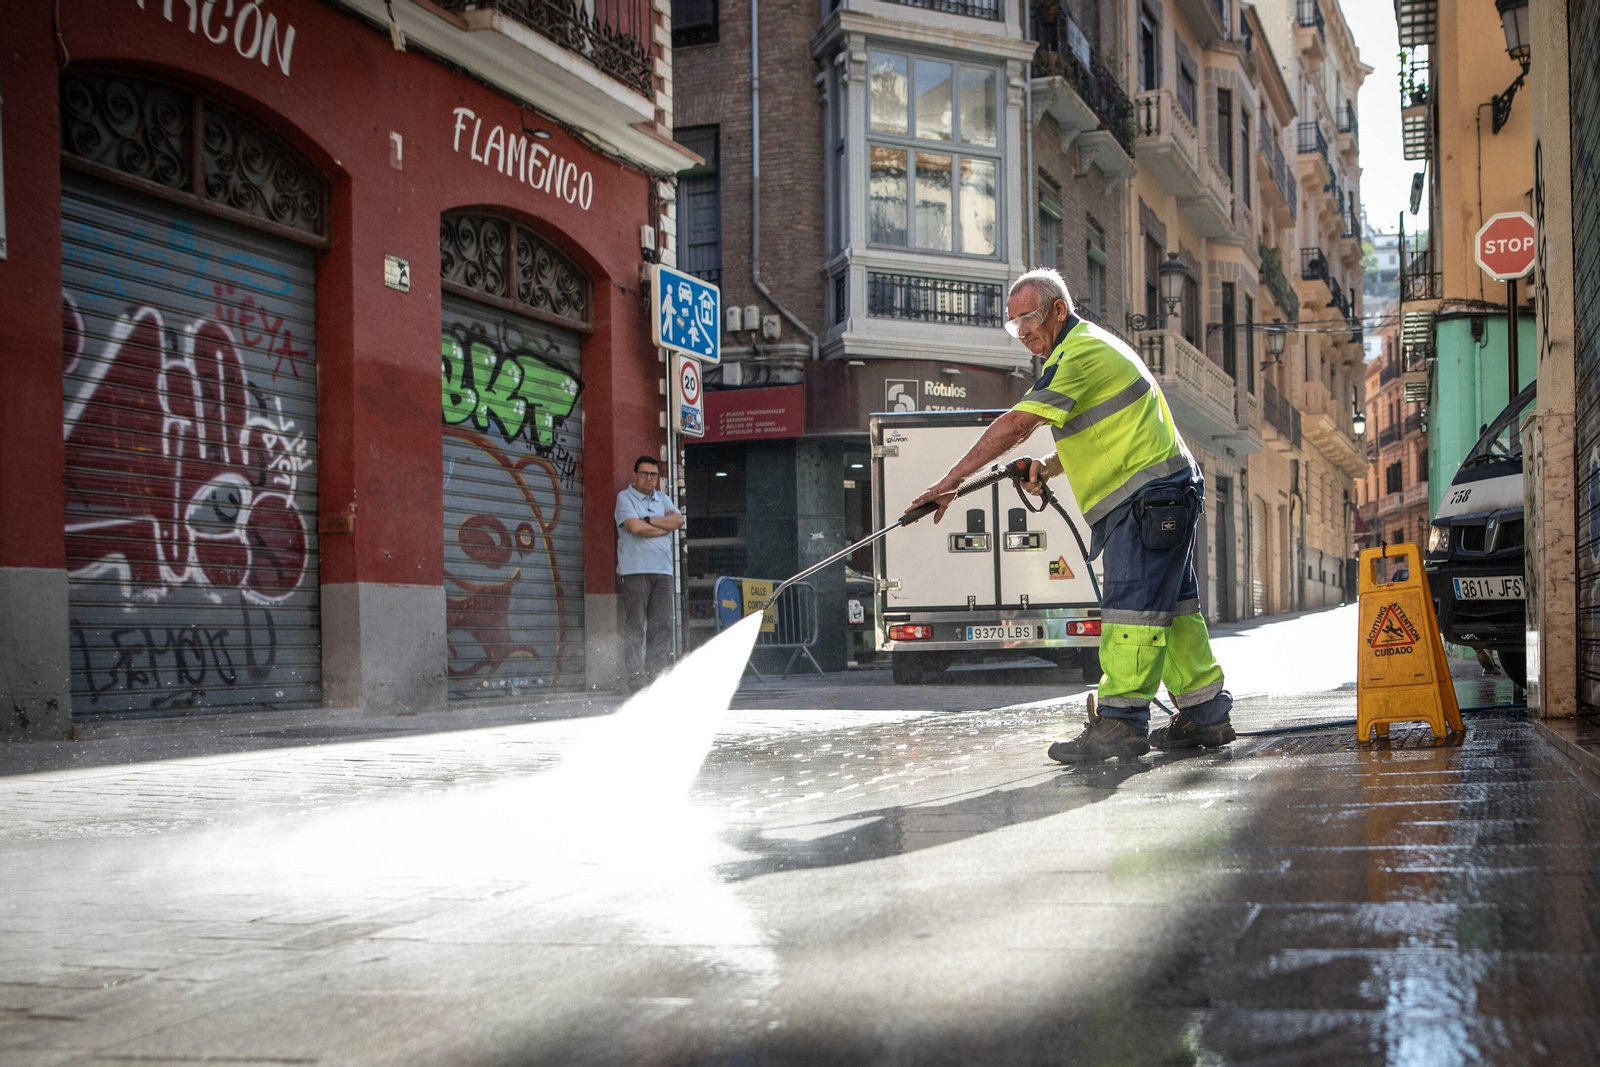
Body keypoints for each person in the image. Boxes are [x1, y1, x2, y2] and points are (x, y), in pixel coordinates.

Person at [909, 268, 1234, 762]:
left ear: (1059, 310)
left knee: (1134, 613)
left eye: (1029, 318)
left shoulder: (1079, 352)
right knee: (1173, 611)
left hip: (1148, 496)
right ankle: (1206, 716)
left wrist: (949, 483)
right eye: (1013, 323)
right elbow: (1102, 433)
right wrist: (1048, 466)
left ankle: (1122, 723)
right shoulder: (1076, 352)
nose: (1022, 332)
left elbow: (1018, 424)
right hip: (1161, 492)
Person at [615, 455, 683, 692]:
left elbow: (678, 521)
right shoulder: (625, 498)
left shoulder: (663, 498)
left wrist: (649, 521)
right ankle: (636, 680)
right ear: (635, 474)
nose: (648, 478)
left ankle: (656, 678)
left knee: (661, 625)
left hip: (663, 572)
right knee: (635, 626)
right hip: (635, 571)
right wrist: (660, 528)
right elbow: (634, 528)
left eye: (653, 475)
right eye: (644, 473)